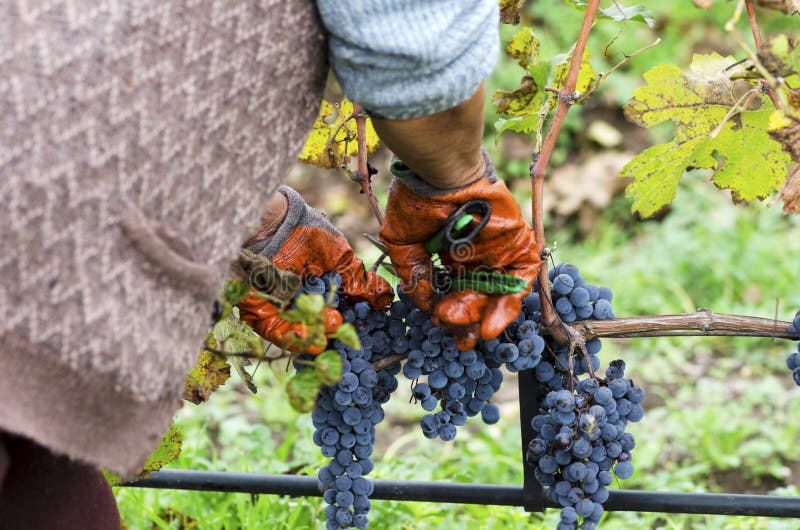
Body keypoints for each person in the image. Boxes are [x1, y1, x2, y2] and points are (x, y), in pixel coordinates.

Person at [0, 1, 538, 527]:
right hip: (34, 172)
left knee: (37, 468)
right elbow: (414, 41)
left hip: (39, 144)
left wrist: (253, 224)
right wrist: (456, 185)